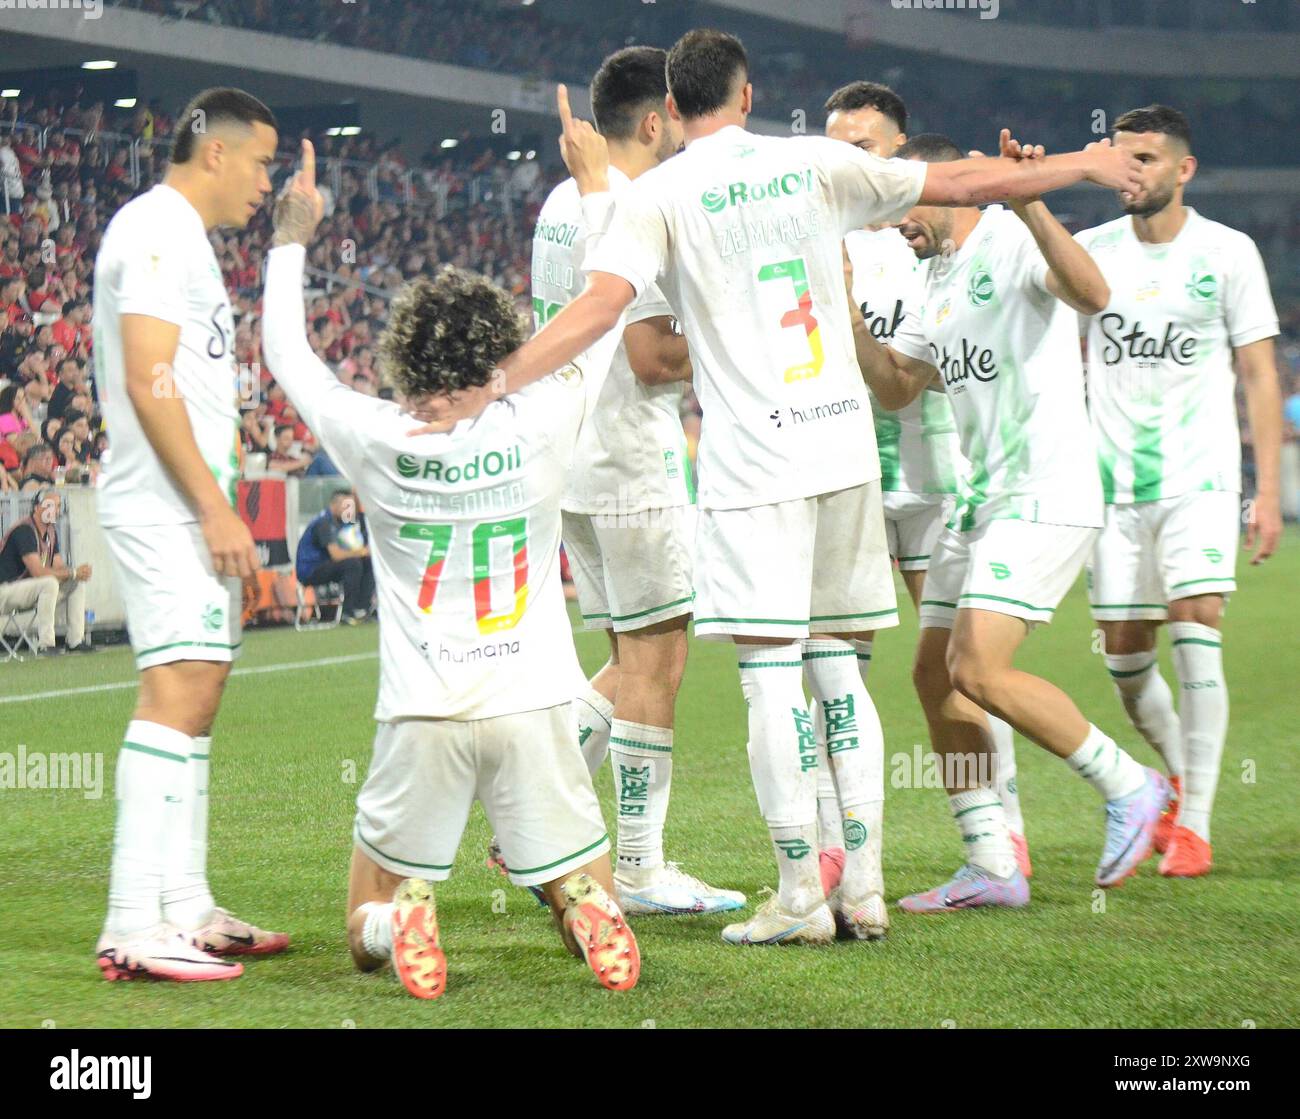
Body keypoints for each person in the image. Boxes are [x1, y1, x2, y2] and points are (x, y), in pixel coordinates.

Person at [409, 28, 1145, 946]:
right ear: (749, 98)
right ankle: (865, 888)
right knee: (841, 675)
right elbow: (964, 185)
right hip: (843, 456)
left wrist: (493, 384)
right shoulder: (815, 162)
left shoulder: (663, 192)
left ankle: (801, 895)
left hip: (753, 468)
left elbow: (600, 309)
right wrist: (1085, 160)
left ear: (672, 109)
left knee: (771, 683)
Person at [263, 140, 639, 999]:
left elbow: (286, 352)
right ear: (497, 351)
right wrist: (591, 189)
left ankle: (398, 919)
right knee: (580, 873)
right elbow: (610, 305)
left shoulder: (375, 436)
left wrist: (293, 233)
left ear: (403, 359)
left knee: (361, 931)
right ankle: (586, 904)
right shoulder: (541, 416)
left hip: (424, 708)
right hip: (536, 700)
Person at [849, 132, 1168, 911]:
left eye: (901, 208)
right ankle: (990, 856)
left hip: (1044, 492)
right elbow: (897, 386)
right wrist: (842, 304)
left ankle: (1129, 782)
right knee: (934, 675)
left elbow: (1095, 295)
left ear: (948, 188)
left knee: (980, 669)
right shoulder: (935, 279)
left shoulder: (1008, 238)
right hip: (978, 502)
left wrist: (1030, 201)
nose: (897, 226)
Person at [539, 47, 742, 916]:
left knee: (628, 659)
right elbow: (652, 355)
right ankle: (642, 867)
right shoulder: (640, 207)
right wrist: (739, 335)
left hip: (575, 465)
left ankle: (530, 816)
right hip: (633, 459)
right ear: (657, 118)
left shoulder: (562, 202)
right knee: (657, 661)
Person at [93, 88, 288, 983]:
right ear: (217, 152)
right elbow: (149, 378)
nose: (265, 182)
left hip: (190, 501)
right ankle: (133, 919)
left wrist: (224, 505)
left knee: (198, 695)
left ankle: (186, 904)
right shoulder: (158, 230)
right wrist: (214, 508)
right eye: (261, 163)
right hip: (166, 505)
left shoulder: (181, 237)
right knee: (175, 689)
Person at [823, 79, 1030, 883]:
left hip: (942, 477)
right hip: (848, 479)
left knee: (956, 663)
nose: (844, 162)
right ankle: (838, 846)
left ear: (900, 155)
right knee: (833, 669)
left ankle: (995, 831)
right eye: (835, 146)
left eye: (862, 148)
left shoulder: (935, 236)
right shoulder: (814, 242)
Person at [1075, 105, 1283, 878]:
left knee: (1197, 622)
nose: (1135, 172)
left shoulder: (1228, 253)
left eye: (1150, 159)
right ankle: (1174, 778)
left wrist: (1265, 490)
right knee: (1126, 665)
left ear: (1183, 169)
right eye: (1124, 159)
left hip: (1200, 478)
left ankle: (1193, 823)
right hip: (1111, 488)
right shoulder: (1089, 252)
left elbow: (1260, 370)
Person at [0, 488, 93, 654]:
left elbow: (58, 566)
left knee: (75, 584)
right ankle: (46, 644)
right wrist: (72, 572)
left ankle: (75, 641)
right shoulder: (24, 530)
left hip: (25, 590)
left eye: (57, 506)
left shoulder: (51, 533)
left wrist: (76, 573)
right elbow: (37, 571)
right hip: (5, 591)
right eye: (50, 505)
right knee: (49, 583)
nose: (55, 511)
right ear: (36, 507)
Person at [295, 488, 374, 623]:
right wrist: (361, 552)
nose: (349, 510)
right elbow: (336, 555)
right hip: (311, 570)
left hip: (325, 565)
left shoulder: (339, 522)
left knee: (368, 561)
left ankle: (362, 609)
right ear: (335, 504)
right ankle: (348, 612)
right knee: (353, 564)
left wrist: (363, 552)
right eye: (346, 506)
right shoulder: (323, 523)